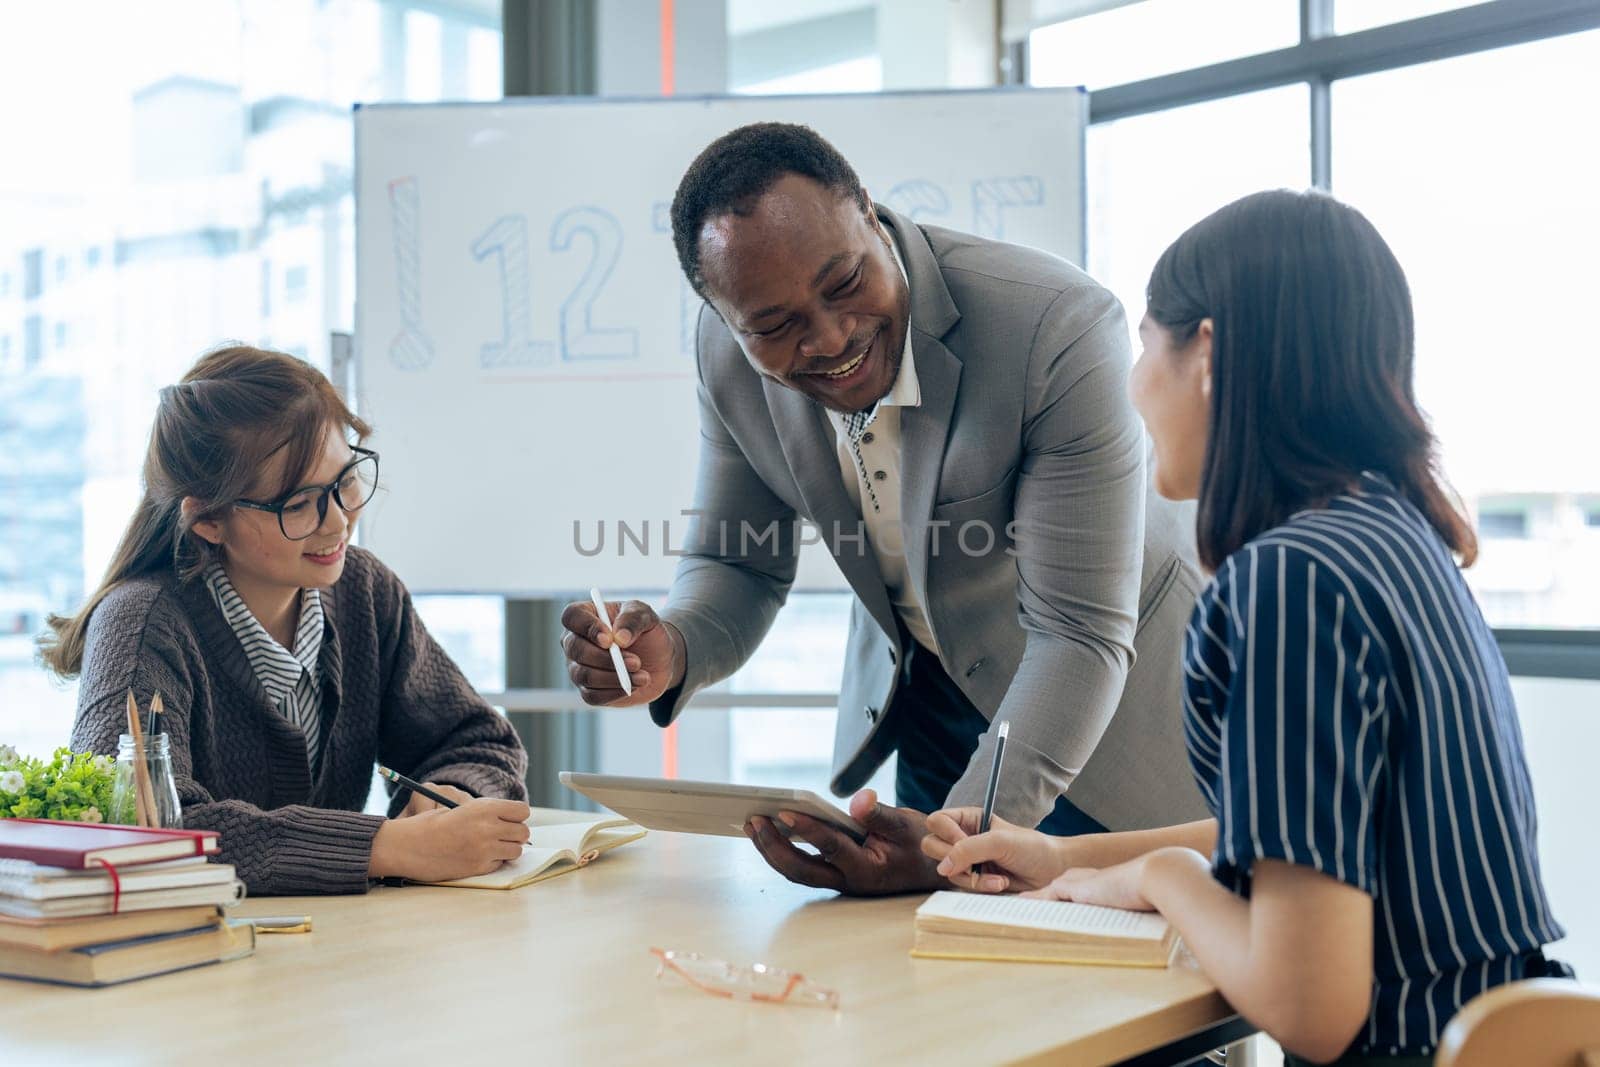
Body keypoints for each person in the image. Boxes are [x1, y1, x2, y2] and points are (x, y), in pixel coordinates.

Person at [922, 190, 1569, 1065]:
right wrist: (1060, 856)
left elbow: (1312, 1007)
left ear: (1209, 354)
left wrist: (1161, 877)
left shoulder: (1288, 581)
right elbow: (1295, 831)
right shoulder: (1392, 538)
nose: (1133, 384)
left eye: (1146, 342)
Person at [560, 122, 1208, 896]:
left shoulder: (1054, 326)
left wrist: (951, 846)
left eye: (843, 284)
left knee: (1139, 989)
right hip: (933, 702)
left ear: (869, 212)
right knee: (946, 984)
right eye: (774, 326)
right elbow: (738, 559)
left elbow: (1078, 633)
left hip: (1108, 717)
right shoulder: (724, 352)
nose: (830, 337)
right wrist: (674, 646)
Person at [43, 345, 532, 895]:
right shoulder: (141, 627)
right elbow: (140, 829)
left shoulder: (364, 592)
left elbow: (478, 739)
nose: (339, 520)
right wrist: (389, 846)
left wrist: (449, 792)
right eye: (299, 503)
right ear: (208, 520)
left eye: (346, 479)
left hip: (344, 951)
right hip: (202, 966)